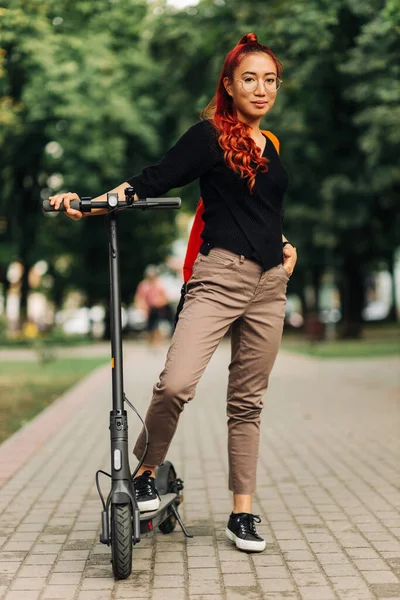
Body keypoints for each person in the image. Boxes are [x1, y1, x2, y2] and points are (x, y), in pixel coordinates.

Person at [49, 32, 298, 553]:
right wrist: (88, 203)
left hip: (271, 284)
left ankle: (243, 514)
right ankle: (144, 469)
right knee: (175, 384)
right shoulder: (208, 137)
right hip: (219, 276)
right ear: (228, 85)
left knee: (247, 403)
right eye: (249, 79)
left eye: (269, 80)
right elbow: (151, 181)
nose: (261, 89)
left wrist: (286, 244)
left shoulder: (270, 145)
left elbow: (264, 210)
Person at [134, 265, 171, 347]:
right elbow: (139, 298)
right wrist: (142, 306)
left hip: (159, 308)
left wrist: (159, 302)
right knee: (150, 327)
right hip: (149, 309)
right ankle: (151, 344)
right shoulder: (143, 285)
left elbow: (165, 297)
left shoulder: (160, 283)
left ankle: (157, 343)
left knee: (158, 326)